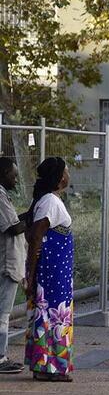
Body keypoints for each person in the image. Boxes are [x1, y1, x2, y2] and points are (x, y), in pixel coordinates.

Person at [24, 157, 74, 381]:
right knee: (55, 315)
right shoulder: (50, 202)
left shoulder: (48, 200)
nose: (69, 174)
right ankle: (53, 367)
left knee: (47, 315)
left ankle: (45, 365)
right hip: (53, 271)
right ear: (60, 177)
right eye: (67, 170)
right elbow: (36, 236)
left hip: (55, 269)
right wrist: (30, 273)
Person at [0, 158, 26, 374]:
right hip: (6, 264)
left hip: (9, 263)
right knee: (2, 314)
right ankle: (0, 357)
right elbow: (13, 228)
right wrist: (39, 217)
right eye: (13, 175)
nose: (16, 180)